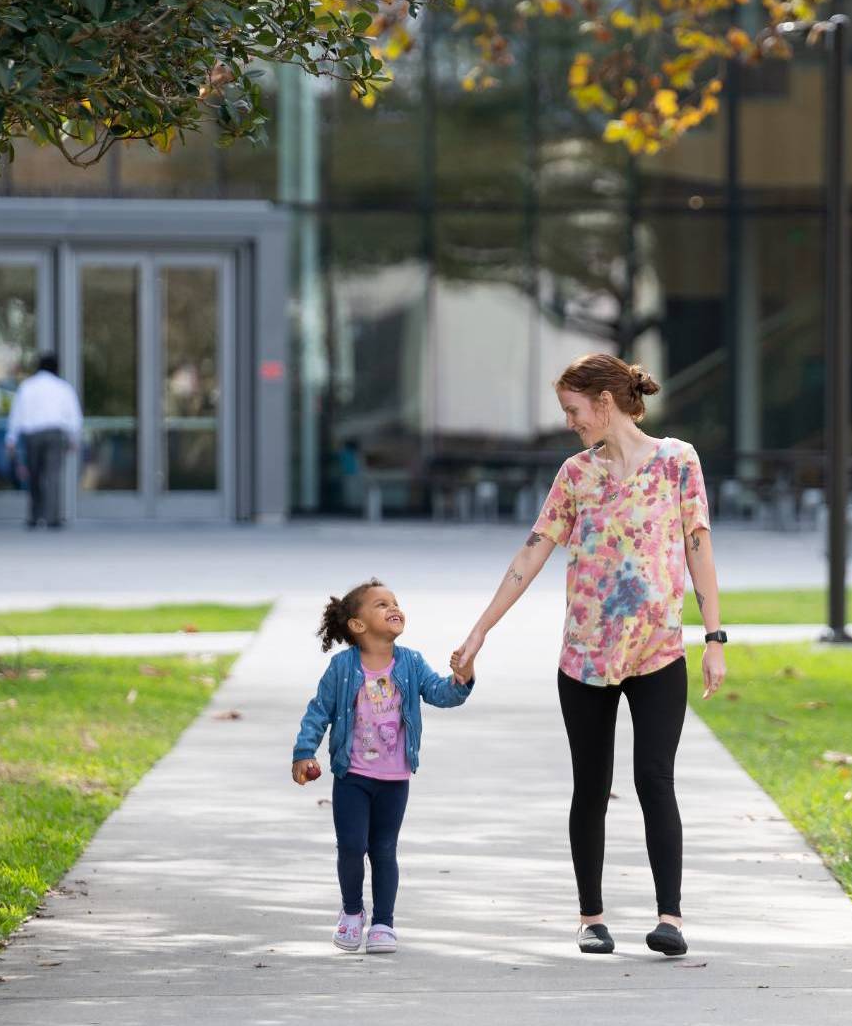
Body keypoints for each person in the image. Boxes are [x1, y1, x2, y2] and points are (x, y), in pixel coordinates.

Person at [451, 353, 726, 958]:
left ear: (605, 402)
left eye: (574, 410)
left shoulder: (679, 462)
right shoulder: (575, 475)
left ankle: (670, 919)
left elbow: (698, 548)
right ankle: (591, 917)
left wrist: (713, 637)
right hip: (585, 659)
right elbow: (529, 557)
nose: (570, 422)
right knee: (590, 785)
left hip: (658, 653)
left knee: (655, 779)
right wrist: (479, 633)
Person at [293, 578, 476, 954]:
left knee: (384, 849)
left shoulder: (410, 662)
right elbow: (318, 713)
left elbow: (442, 694)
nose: (393, 607)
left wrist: (463, 676)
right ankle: (351, 912)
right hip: (353, 775)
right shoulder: (341, 667)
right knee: (351, 846)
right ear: (358, 626)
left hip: (394, 777)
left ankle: (383, 924)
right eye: (380, 604)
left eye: (395, 601)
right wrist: (304, 751)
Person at [3, 353, 81, 529]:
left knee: (34, 476)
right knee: (52, 476)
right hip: (55, 434)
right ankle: (52, 518)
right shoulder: (63, 387)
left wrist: (11, 438)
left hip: (32, 435)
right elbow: (73, 416)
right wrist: (73, 438)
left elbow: (17, 414)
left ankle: (34, 516)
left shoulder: (27, 386)